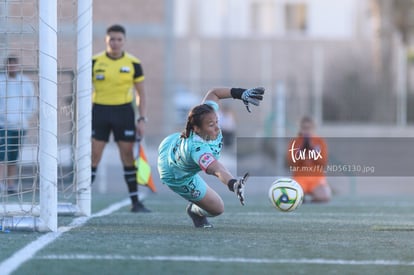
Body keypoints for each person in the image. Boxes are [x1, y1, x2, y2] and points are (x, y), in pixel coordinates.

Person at [157, 87, 265, 228]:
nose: (217, 128)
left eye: (217, 122)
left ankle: (196, 207)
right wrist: (233, 183)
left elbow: (214, 93)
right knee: (217, 208)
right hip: (174, 173)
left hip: (170, 144)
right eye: (211, 125)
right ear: (197, 128)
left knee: (216, 207)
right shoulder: (197, 149)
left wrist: (241, 93)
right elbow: (217, 169)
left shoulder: (205, 115)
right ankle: (194, 211)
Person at [91, 24, 150, 212]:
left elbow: (141, 94)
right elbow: (83, 90)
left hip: (124, 112)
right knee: (94, 155)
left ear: (124, 41)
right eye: (112, 39)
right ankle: (81, 200)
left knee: (126, 155)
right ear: (106, 40)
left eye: (119, 40)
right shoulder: (94, 61)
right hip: (99, 111)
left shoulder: (133, 63)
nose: (115, 43)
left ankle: (135, 202)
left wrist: (142, 119)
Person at [0, 55, 36, 194]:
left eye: (14, 65)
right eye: (10, 65)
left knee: (13, 156)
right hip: (2, 125)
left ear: (18, 66)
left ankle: (10, 184)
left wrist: (23, 117)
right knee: (1, 155)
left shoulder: (25, 82)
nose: (12, 68)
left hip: (20, 126)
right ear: (6, 66)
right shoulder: (1, 81)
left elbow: (32, 103)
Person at [286, 116, 331, 202]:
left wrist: (312, 149)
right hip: (300, 179)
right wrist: (302, 150)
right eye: (304, 128)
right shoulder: (295, 142)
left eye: (309, 128)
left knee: (324, 197)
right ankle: (302, 196)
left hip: (316, 179)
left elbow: (323, 163)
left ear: (313, 128)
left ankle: (312, 198)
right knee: (294, 198)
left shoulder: (320, 142)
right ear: (300, 128)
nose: (306, 130)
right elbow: (291, 164)